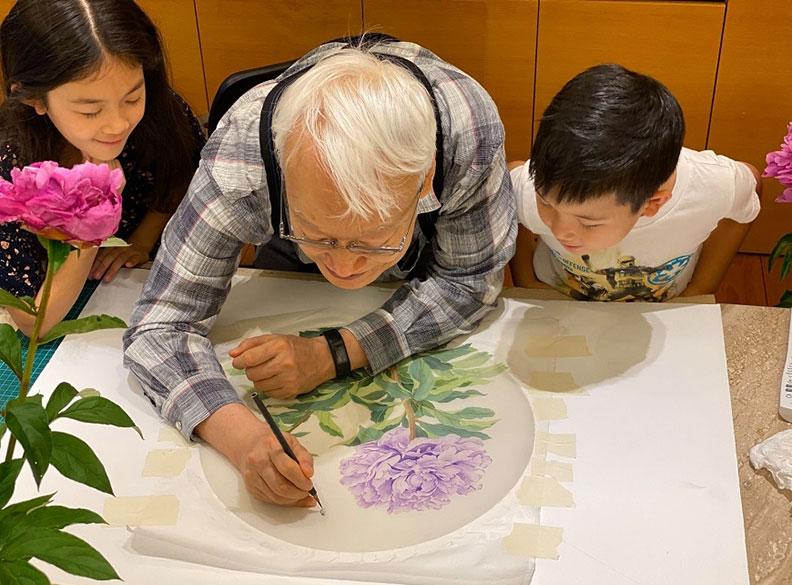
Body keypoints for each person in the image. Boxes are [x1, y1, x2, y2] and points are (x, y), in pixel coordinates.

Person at [124, 35, 516, 509]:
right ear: (283, 177)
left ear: (426, 179)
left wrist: (333, 352)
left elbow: (469, 280)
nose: (346, 267)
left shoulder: (465, 134)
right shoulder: (242, 158)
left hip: (424, 251)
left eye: (371, 241)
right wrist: (241, 437)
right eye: (320, 235)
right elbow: (162, 323)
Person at [0, 0, 205, 335]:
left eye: (131, 98)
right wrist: (94, 217)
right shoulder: (10, 167)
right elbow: (32, 322)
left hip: (141, 291)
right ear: (32, 98)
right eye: (90, 111)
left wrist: (141, 240)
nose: (118, 124)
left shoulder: (158, 110)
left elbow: (181, 173)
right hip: (65, 306)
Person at [510, 63, 761, 302]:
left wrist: (700, 288)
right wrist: (526, 281)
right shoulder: (527, 188)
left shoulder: (713, 185)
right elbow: (509, 193)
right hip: (557, 300)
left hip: (664, 308)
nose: (559, 230)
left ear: (652, 203)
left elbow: (751, 189)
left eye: (589, 222)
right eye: (545, 203)